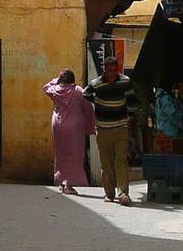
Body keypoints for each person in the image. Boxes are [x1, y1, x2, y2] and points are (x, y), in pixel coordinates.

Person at [85, 56, 139, 204]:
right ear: (105, 70)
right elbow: (85, 93)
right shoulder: (96, 84)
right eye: (110, 70)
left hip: (121, 126)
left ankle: (123, 194)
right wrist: (97, 102)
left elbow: (132, 98)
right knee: (106, 162)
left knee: (121, 160)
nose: (113, 73)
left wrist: (131, 114)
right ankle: (109, 193)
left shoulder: (125, 81)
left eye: (115, 70)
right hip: (103, 128)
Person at [43, 68, 93, 194]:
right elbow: (88, 110)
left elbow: (46, 87)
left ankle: (62, 180)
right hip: (75, 128)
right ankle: (69, 184)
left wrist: (56, 79)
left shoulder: (54, 90)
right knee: (75, 155)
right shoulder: (79, 91)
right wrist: (90, 128)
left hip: (58, 125)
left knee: (61, 155)